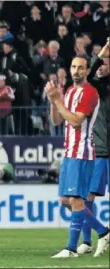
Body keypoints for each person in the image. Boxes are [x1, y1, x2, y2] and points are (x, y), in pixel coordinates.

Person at [46, 56, 103, 258]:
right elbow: (56, 121)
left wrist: (58, 101)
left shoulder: (90, 93)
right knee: (64, 200)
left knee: (77, 200)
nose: (76, 71)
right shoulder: (69, 91)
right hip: (69, 152)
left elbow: (76, 121)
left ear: (87, 71)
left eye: (80, 67)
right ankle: (103, 231)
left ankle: (71, 248)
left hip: (82, 152)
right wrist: (54, 103)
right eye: (73, 67)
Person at [77, 38, 110, 257]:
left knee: (86, 197)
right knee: (86, 196)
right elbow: (87, 76)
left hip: (104, 149)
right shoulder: (94, 87)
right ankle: (88, 241)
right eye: (100, 63)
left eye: (105, 63)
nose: (100, 67)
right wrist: (104, 50)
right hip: (99, 149)